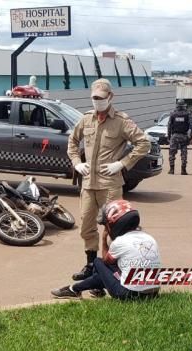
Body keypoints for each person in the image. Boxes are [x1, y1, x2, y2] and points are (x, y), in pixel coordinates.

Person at [67, 78, 151, 283]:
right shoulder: (87, 119)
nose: (97, 102)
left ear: (110, 97)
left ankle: (110, 271)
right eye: (94, 98)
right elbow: (72, 140)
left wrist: (122, 164)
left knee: (114, 229)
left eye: (101, 98)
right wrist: (77, 162)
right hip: (88, 184)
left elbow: (143, 143)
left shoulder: (121, 121)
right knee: (87, 226)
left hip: (110, 185)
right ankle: (91, 267)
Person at [51, 200, 161, 300]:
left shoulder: (120, 242)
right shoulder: (149, 238)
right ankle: (75, 289)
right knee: (109, 271)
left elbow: (106, 261)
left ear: (115, 223)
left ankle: (84, 290)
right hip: (153, 293)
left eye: (106, 225)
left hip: (129, 294)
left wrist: (104, 239)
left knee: (98, 262)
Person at [167, 99, 192, 175]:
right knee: (184, 154)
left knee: (172, 153)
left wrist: (169, 137)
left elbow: (169, 126)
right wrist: (190, 137)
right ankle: (183, 170)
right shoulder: (187, 114)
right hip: (184, 136)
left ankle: (172, 170)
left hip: (174, 136)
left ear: (177, 105)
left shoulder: (173, 114)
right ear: (184, 105)